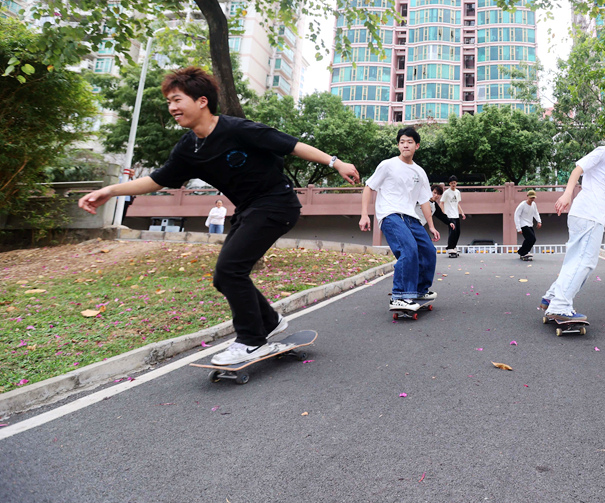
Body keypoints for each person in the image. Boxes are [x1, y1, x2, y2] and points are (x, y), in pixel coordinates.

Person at [78, 66, 360, 366]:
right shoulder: (189, 147)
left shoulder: (237, 129)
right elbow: (157, 180)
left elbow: (292, 145)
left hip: (277, 204)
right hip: (249, 209)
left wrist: (335, 162)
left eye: (177, 100)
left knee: (230, 270)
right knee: (224, 277)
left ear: (202, 101)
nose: (172, 107)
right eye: (169, 102)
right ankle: (269, 322)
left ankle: (251, 341)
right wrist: (111, 190)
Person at [539, 121, 605, 320]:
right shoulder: (603, 152)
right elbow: (578, 169)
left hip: (594, 217)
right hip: (587, 213)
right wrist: (567, 194)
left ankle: (551, 298)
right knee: (585, 262)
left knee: (576, 260)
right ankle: (560, 306)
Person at [359, 127, 440, 311]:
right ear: (398, 145)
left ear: (417, 146)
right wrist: (364, 214)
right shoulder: (387, 165)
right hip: (390, 214)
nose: (405, 145)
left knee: (428, 251)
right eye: (402, 142)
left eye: (409, 142)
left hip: (411, 217)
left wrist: (432, 226)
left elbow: (424, 201)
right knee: (408, 249)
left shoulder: (420, 172)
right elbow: (369, 187)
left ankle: (419, 290)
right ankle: (400, 296)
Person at [440, 176, 466, 257]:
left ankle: (454, 247)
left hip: (456, 215)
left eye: (454, 183)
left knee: (458, 232)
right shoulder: (446, 192)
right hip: (449, 215)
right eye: (452, 183)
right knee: (452, 232)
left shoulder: (457, 192)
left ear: (456, 183)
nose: (453, 184)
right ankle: (450, 248)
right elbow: (441, 203)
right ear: (449, 184)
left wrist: (462, 213)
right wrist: (444, 214)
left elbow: (457, 203)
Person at [514, 190, 542, 260]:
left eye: (533, 198)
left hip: (530, 224)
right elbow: (516, 215)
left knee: (533, 239)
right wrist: (518, 228)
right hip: (523, 224)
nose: (532, 199)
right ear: (527, 196)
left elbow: (536, 213)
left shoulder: (534, 204)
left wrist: (539, 221)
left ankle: (523, 251)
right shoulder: (522, 205)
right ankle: (523, 252)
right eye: (531, 198)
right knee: (530, 238)